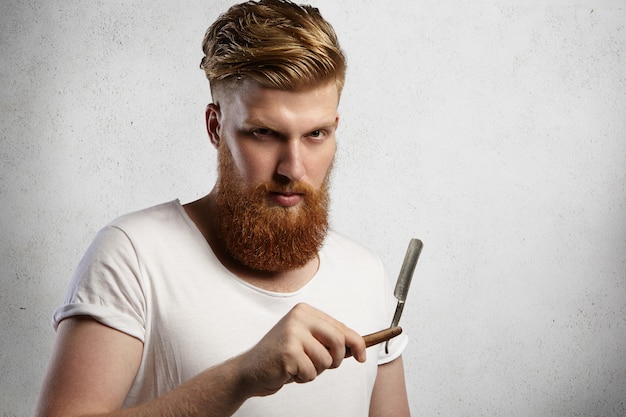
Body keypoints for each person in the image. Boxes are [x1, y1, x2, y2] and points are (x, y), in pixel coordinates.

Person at [35, 1, 411, 416]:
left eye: (315, 134)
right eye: (264, 133)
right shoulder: (134, 256)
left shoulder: (364, 272)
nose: (294, 168)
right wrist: (239, 378)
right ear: (216, 126)